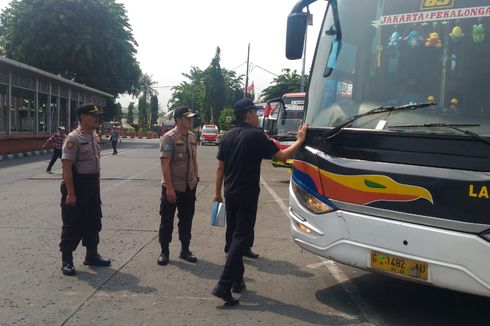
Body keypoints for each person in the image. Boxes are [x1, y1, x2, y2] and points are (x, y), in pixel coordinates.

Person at [211, 98, 307, 305]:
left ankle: (237, 281)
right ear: (248, 115)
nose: (258, 116)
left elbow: (220, 168)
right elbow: (281, 156)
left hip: (230, 192)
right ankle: (224, 283)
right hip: (247, 194)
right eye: (255, 113)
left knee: (232, 236)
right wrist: (299, 141)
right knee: (242, 238)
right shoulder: (256, 136)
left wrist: (216, 193)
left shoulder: (226, 137)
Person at [59, 104, 111, 276]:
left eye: (98, 116)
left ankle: (92, 255)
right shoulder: (73, 138)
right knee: (73, 223)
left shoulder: (94, 136)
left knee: (94, 220)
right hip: (77, 185)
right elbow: (66, 167)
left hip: (92, 184)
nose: (97, 119)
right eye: (93, 115)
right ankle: (67, 260)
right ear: (82, 117)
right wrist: (71, 193)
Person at [157, 106, 199, 266]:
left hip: (189, 186)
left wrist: (196, 176)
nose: (191, 120)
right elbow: (165, 164)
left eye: (191, 118)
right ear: (178, 119)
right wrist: (169, 188)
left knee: (187, 219)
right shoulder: (169, 137)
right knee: (167, 220)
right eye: (187, 118)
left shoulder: (192, 137)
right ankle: (164, 251)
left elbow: (193, 160)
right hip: (173, 186)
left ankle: (185, 250)